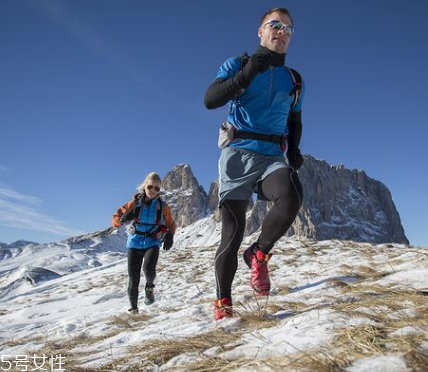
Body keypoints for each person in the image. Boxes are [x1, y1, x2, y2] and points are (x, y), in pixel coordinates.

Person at [204, 7, 305, 320]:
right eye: (274, 25)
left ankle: (258, 253)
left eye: (288, 28)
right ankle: (223, 302)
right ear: (260, 31)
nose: (282, 32)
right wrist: (247, 74)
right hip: (237, 154)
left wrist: (295, 150)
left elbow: (295, 120)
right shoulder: (239, 63)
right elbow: (211, 99)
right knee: (231, 233)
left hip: (271, 156)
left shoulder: (294, 80)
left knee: (291, 195)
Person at [112, 172, 176, 313]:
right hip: (134, 243)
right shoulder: (134, 203)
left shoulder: (162, 206)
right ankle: (134, 310)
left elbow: (171, 223)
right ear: (144, 187)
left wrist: (170, 235)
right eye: (150, 187)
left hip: (152, 242)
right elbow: (115, 219)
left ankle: (149, 287)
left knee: (148, 269)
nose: (153, 191)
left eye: (157, 188)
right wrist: (123, 219)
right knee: (133, 278)